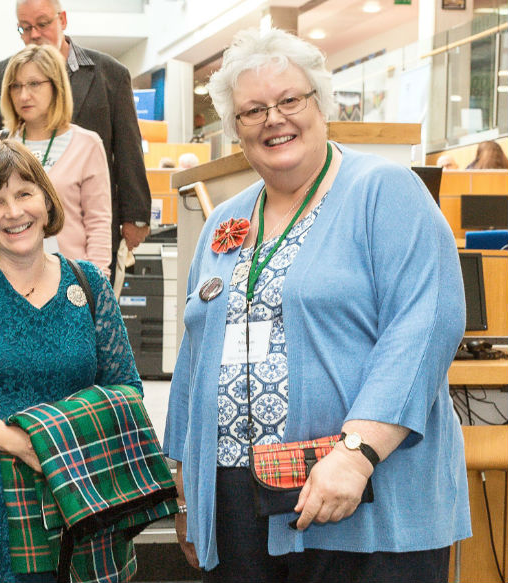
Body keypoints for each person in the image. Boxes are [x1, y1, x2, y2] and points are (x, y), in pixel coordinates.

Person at [164, 28, 470, 582]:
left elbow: (424, 327)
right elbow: (196, 349)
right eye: (253, 110)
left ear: (321, 105)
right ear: (236, 129)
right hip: (237, 500)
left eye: (289, 100)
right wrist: (188, 490)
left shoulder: (385, 191)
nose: (273, 119)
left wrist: (357, 453)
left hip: (361, 493)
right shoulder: (223, 221)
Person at [0, 140, 142, 582]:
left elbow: (126, 387)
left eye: (24, 194)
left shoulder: (88, 283)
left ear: (46, 199)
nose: (14, 212)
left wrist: (58, 442)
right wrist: (19, 442)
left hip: (75, 500)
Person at [0, 0, 151, 276]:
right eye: (25, 28)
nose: (34, 34)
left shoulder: (109, 74)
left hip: (81, 236)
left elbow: (128, 149)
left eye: (42, 24)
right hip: (10, 257)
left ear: (62, 19)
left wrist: (135, 215)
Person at [0, 44, 112, 274]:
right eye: (16, 86)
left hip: (70, 279)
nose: (23, 95)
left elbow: (98, 223)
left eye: (33, 84)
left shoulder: (87, 144)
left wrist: (97, 284)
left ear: (56, 86)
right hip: (9, 278)